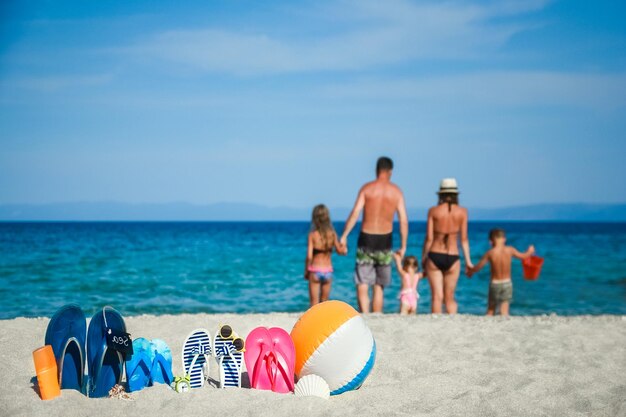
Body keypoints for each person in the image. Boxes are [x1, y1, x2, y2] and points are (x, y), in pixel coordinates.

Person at [340, 156, 408, 313]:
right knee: (379, 285)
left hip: (366, 238)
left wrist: (344, 236)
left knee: (363, 283)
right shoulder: (396, 192)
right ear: (390, 171)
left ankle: (365, 316)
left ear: (377, 170)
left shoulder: (367, 189)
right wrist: (403, 246)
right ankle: (377, 316)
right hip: (385, 240)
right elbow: (403, 220)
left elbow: (355, 213)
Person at [422, 178, 472, 314]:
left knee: (437, 297)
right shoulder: (463, 212)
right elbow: (464, 239)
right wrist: (468, 262)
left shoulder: (433, 211)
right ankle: (452, 324)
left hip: (434, 254)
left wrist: (423, 258)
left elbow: (429, 238)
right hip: (453, 256)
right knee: (450, 298)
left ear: (440, 194)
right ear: (456, 194)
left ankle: (435, 327)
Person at [468, 228, 535, 316]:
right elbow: (523, 256)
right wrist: (530, 251)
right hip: (507, 283)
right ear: (504, 239)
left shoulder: (490, 253)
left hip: (495, 284)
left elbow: (478, 267)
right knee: (504, 311)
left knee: (491, 310)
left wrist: (470, 271)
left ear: (491, 241)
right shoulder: (510, 250)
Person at [304, 204, 346, 307]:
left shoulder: (312, 235)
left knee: (314, 304)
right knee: (324, 302)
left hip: (315, 270)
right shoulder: (332, 233)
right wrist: (344, 247)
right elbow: (340, 251)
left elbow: (309, 256)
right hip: (328, 270)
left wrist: (306, 271)